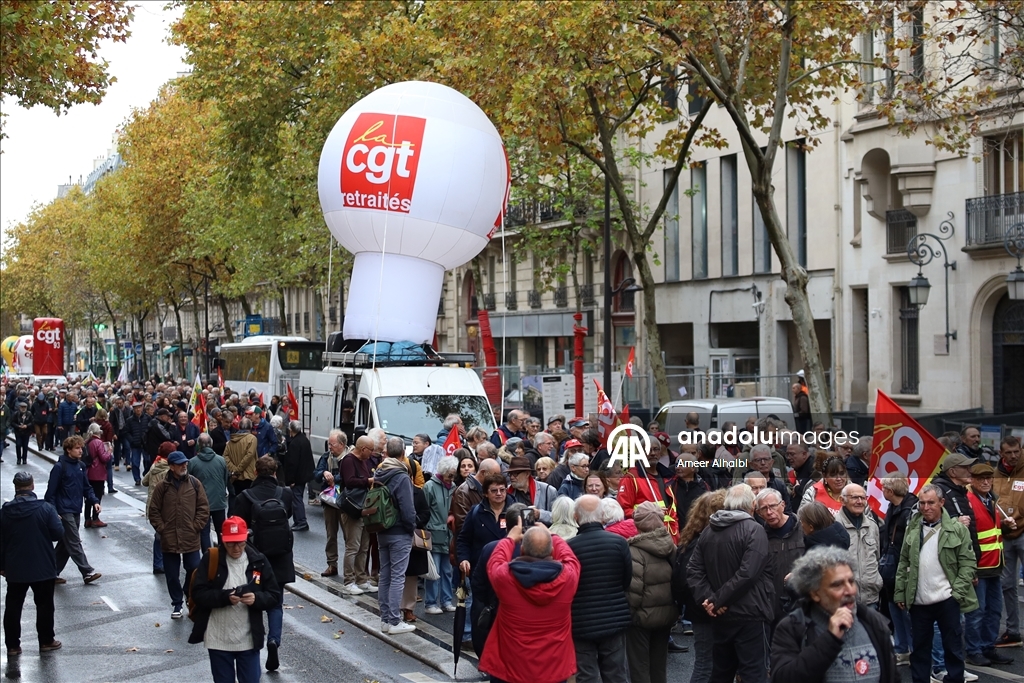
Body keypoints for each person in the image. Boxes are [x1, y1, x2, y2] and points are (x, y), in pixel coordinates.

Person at [687, 484, 774, 683]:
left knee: (721, 672)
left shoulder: (709, 531)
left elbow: (693, 571)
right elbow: (748, 574)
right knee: (754, 673)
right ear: (752, 505)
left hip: (721, 616)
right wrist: (716, 601)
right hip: (750, 614)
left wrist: (710, 600)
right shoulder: (755, 530)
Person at [771, 546, 898, 683]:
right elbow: (783, 678)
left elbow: (892, 676)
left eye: (851, 581)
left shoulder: (871, 621)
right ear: (815, 593)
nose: (850, 591)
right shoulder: (794, 627)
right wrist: (830, 639)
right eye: (837, 585)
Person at [894, 484, 978, 683]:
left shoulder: (957, 529)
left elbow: (968, 563)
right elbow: (903, 561)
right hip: (919, 601)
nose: (926, 507)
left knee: (953, 648)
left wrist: (956, 593)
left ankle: (955, 679)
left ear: (942, 502)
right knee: (920, 651)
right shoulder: (912, 528)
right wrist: (900, 592)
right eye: (922, 503)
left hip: (947, 599)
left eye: (931, 502)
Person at [479, 522, 580, 683]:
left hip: (510, 666)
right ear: (552, 551)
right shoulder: (569, 578)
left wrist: (510, 538)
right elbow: (570, 558)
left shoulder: (505, 577)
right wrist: (553, 536)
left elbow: (495, 561)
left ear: (522, 550)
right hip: (554, 668)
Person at [188, 517, 281, 683]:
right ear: (223, 540)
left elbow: (274, 595)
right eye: (230, 543)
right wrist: (225, 597)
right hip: (218, 640)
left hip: (248, 639)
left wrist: (256, 599)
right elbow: (198, 594)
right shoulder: (212, 559)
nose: (236, 548)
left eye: (240, 542)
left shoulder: (258, 561)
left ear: (246, 538)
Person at [231, 456, 294, 672]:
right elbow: (290, 513)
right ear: (275, 472)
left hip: (255, 560)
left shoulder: (245, 496)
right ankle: (274, 639)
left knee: (254, 599)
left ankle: (255, 646)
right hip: (281, 559)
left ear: (256, 472)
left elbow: (236, 523)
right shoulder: (284, 493)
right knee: (276, 603)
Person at [567, 494, 633, 683]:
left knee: (586, 676)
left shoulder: (569, 547)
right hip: (614, 618)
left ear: (576, 517)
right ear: (602, 515)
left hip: (581, 621)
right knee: (616, 674)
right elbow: (626, 580)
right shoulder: (618, 543)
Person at [1, 472, 65, 655]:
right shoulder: (45, 508)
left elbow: (1, 540)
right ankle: (46, 640)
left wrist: (2, 564)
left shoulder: (5, 511)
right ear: (32, 486)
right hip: (42, 564)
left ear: (15, 487)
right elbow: (57, 534)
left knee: (13, 607)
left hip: (15, 566)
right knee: (44, 604)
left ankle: (13, 645)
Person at [148, 450, 210, 619]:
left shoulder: (194, 483)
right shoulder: (162, 486)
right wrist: (162, 528)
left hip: (190, 536)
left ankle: (187, 592)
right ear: (172, 467)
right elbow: (153, 510)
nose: (184, 466)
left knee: (194, 569)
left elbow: (203, 508)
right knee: (172, 574)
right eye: (180, 464)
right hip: (169, 538)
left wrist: (196, 526)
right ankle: (177, 604)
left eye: (185, 463)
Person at [674, 490, 727, 683]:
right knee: (706, 664)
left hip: (702, 609)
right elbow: (689, 579)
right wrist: (714, 602)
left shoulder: (692, 538)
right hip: (705, 611)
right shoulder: (702, 542)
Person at [964, 463, 1014, 666]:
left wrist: (1004, 527)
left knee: (994, 610)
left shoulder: (991, 499)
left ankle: (987, 647)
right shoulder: (969, 501)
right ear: (972, 480)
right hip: (980, 566)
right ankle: (974, 650)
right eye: (981, 478)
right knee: (977, 612)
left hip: (994, 565)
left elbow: (991, 532)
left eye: (988, 478)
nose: (985, 481)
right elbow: (970, 537)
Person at [627, 501, 680, 683]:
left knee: (639, 667)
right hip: (666, 614)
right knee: (659, 666)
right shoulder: (671, 546)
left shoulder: (634, 550)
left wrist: (630, 615)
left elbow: (634, 590)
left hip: (642, 618)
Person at [373, 437, 417, 634]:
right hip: (399, 531)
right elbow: (407, 509)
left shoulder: (379, 473)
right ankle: (394, 621)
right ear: (403, 454)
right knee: (398, 576)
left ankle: (384, 619)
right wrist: (411, 528)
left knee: (385, 575)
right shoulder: (401, 476)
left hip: (382, 528)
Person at [44, 435, 102, 585]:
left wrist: (94, 501)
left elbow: (86, 487)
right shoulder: (59, 467)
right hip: (63, 510)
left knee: (66, 543)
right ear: (68, 450)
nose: (80, 450)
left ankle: (51, 572)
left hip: (76, 508)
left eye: (81, 447)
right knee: (74, 541)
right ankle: (87, 571)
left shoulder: (81, 466)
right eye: (77, 448)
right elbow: (50, 493)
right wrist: (53, 511)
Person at [880, 475, 917, 666]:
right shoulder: (894, 507)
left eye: (884, 488)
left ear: (890, 491)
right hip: (891, 567)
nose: (882, 490)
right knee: (895, 606)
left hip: (902, 567)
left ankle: (912, 649)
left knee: (905, 609)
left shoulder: (910, 510)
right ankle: (902, 649)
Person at [991, 435, 1023, 648]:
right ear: (1001, 453)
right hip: (1004, 534)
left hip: (1023, 531)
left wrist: (1018, 517)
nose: (1013, 456)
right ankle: (1012, 631)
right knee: (1007, 585)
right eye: (1009, 453)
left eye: (1017, 452)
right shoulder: (994, 475)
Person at [754, 488, 804, 624]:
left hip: (803, 603)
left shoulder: (802, 528)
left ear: (783, 505)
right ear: (758, 513)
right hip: (773, 605)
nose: (769, 512)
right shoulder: (759, 536)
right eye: (764, 509)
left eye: (773, 506)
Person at [458, 474, 512, 586]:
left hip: (509, 569)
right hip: (481, 570)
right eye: (494, 490)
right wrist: (464, 559)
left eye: (502, 490)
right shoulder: (476, 513)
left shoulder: (516, 511)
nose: (499, 493)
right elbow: (464, 540)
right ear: (485, 493)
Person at [836, 483, 882, 609]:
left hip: (871, 599)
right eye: (855, 497)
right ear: (842, 500)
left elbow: (877, 557)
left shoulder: (872, 526)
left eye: (863, 498)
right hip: (844, 602)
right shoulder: (834, 526)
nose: (860, 501)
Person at [423, 455, 458, 614]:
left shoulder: (454, 487)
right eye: (450, 475)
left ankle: (446, 601)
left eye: (453, 475)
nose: (452, 478)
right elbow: (424, 510)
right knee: (433, 571)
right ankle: (431, 603)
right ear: (442, 472)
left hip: (448, 535)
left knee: (447, 570)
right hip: (433, 534)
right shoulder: (429, 486)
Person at [189, 433, 232, 554]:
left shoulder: (193, 462)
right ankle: (223, 554)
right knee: (220, 530)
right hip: (219, 500)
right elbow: (225, 479)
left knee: (204, 531)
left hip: (201, 503)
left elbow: (189, 483)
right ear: (211, 444)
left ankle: (208, 556)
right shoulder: (221, 460)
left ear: (199, 445)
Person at [400, 479, 431, 623]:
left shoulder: (418, 492)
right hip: (395, 535)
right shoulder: (390, 489)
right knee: (394, 574)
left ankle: (408, 609)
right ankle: (392, 609)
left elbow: (425, 513)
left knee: (411, 576)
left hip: (413, 537)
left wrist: (413, 521)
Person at [282, 421, 313, 532]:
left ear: (291, 430)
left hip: (298, 476)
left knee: (297, 498)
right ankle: (299, 521)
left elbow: (292, 463)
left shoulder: (295, 443)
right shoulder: (304, 440)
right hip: (304, 474)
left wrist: (291, 479)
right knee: (297, 497)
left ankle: (301, 521)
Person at [83, 423, 112, 528]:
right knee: (97, 496)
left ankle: (87, 519)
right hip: (98, 472)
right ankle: (95, 518)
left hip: (88, 471)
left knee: (88, 496)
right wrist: (109, 452)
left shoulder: (87, 442)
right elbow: (103, 458)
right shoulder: (98, 442)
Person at [224, 417, 258, 496]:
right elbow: (249, 456)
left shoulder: (231, 440)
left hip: (236, 477)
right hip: (248, 476)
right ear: (250, 427)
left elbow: (225, 456)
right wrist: (238, 470)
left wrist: (234, 470)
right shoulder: (252, 438)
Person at [125, 401, 150, 483]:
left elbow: (151, 429)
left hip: (146, 444)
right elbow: (126, 432)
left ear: (142, 408)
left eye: (139, 407)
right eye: (136, 408)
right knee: (135, 463)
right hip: (135, 444)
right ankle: (137, 479)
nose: (138, 409)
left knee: (148, 461)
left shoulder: (147, 418)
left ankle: (146, 473)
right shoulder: (130, 420)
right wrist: (131, 440)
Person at [12, 400, 33, 465]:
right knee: (18, 445)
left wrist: (27, 426)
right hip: (18, 432)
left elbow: (32, 422)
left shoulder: (29, 414)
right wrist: (18, 426)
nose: (23, 409)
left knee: (25, 446)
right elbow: (12, 422)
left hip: (26, 433)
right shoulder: (16, 414)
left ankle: (24, 459)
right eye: (22, 407)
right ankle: (18, 458)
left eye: (24, 407)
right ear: (19, 407)